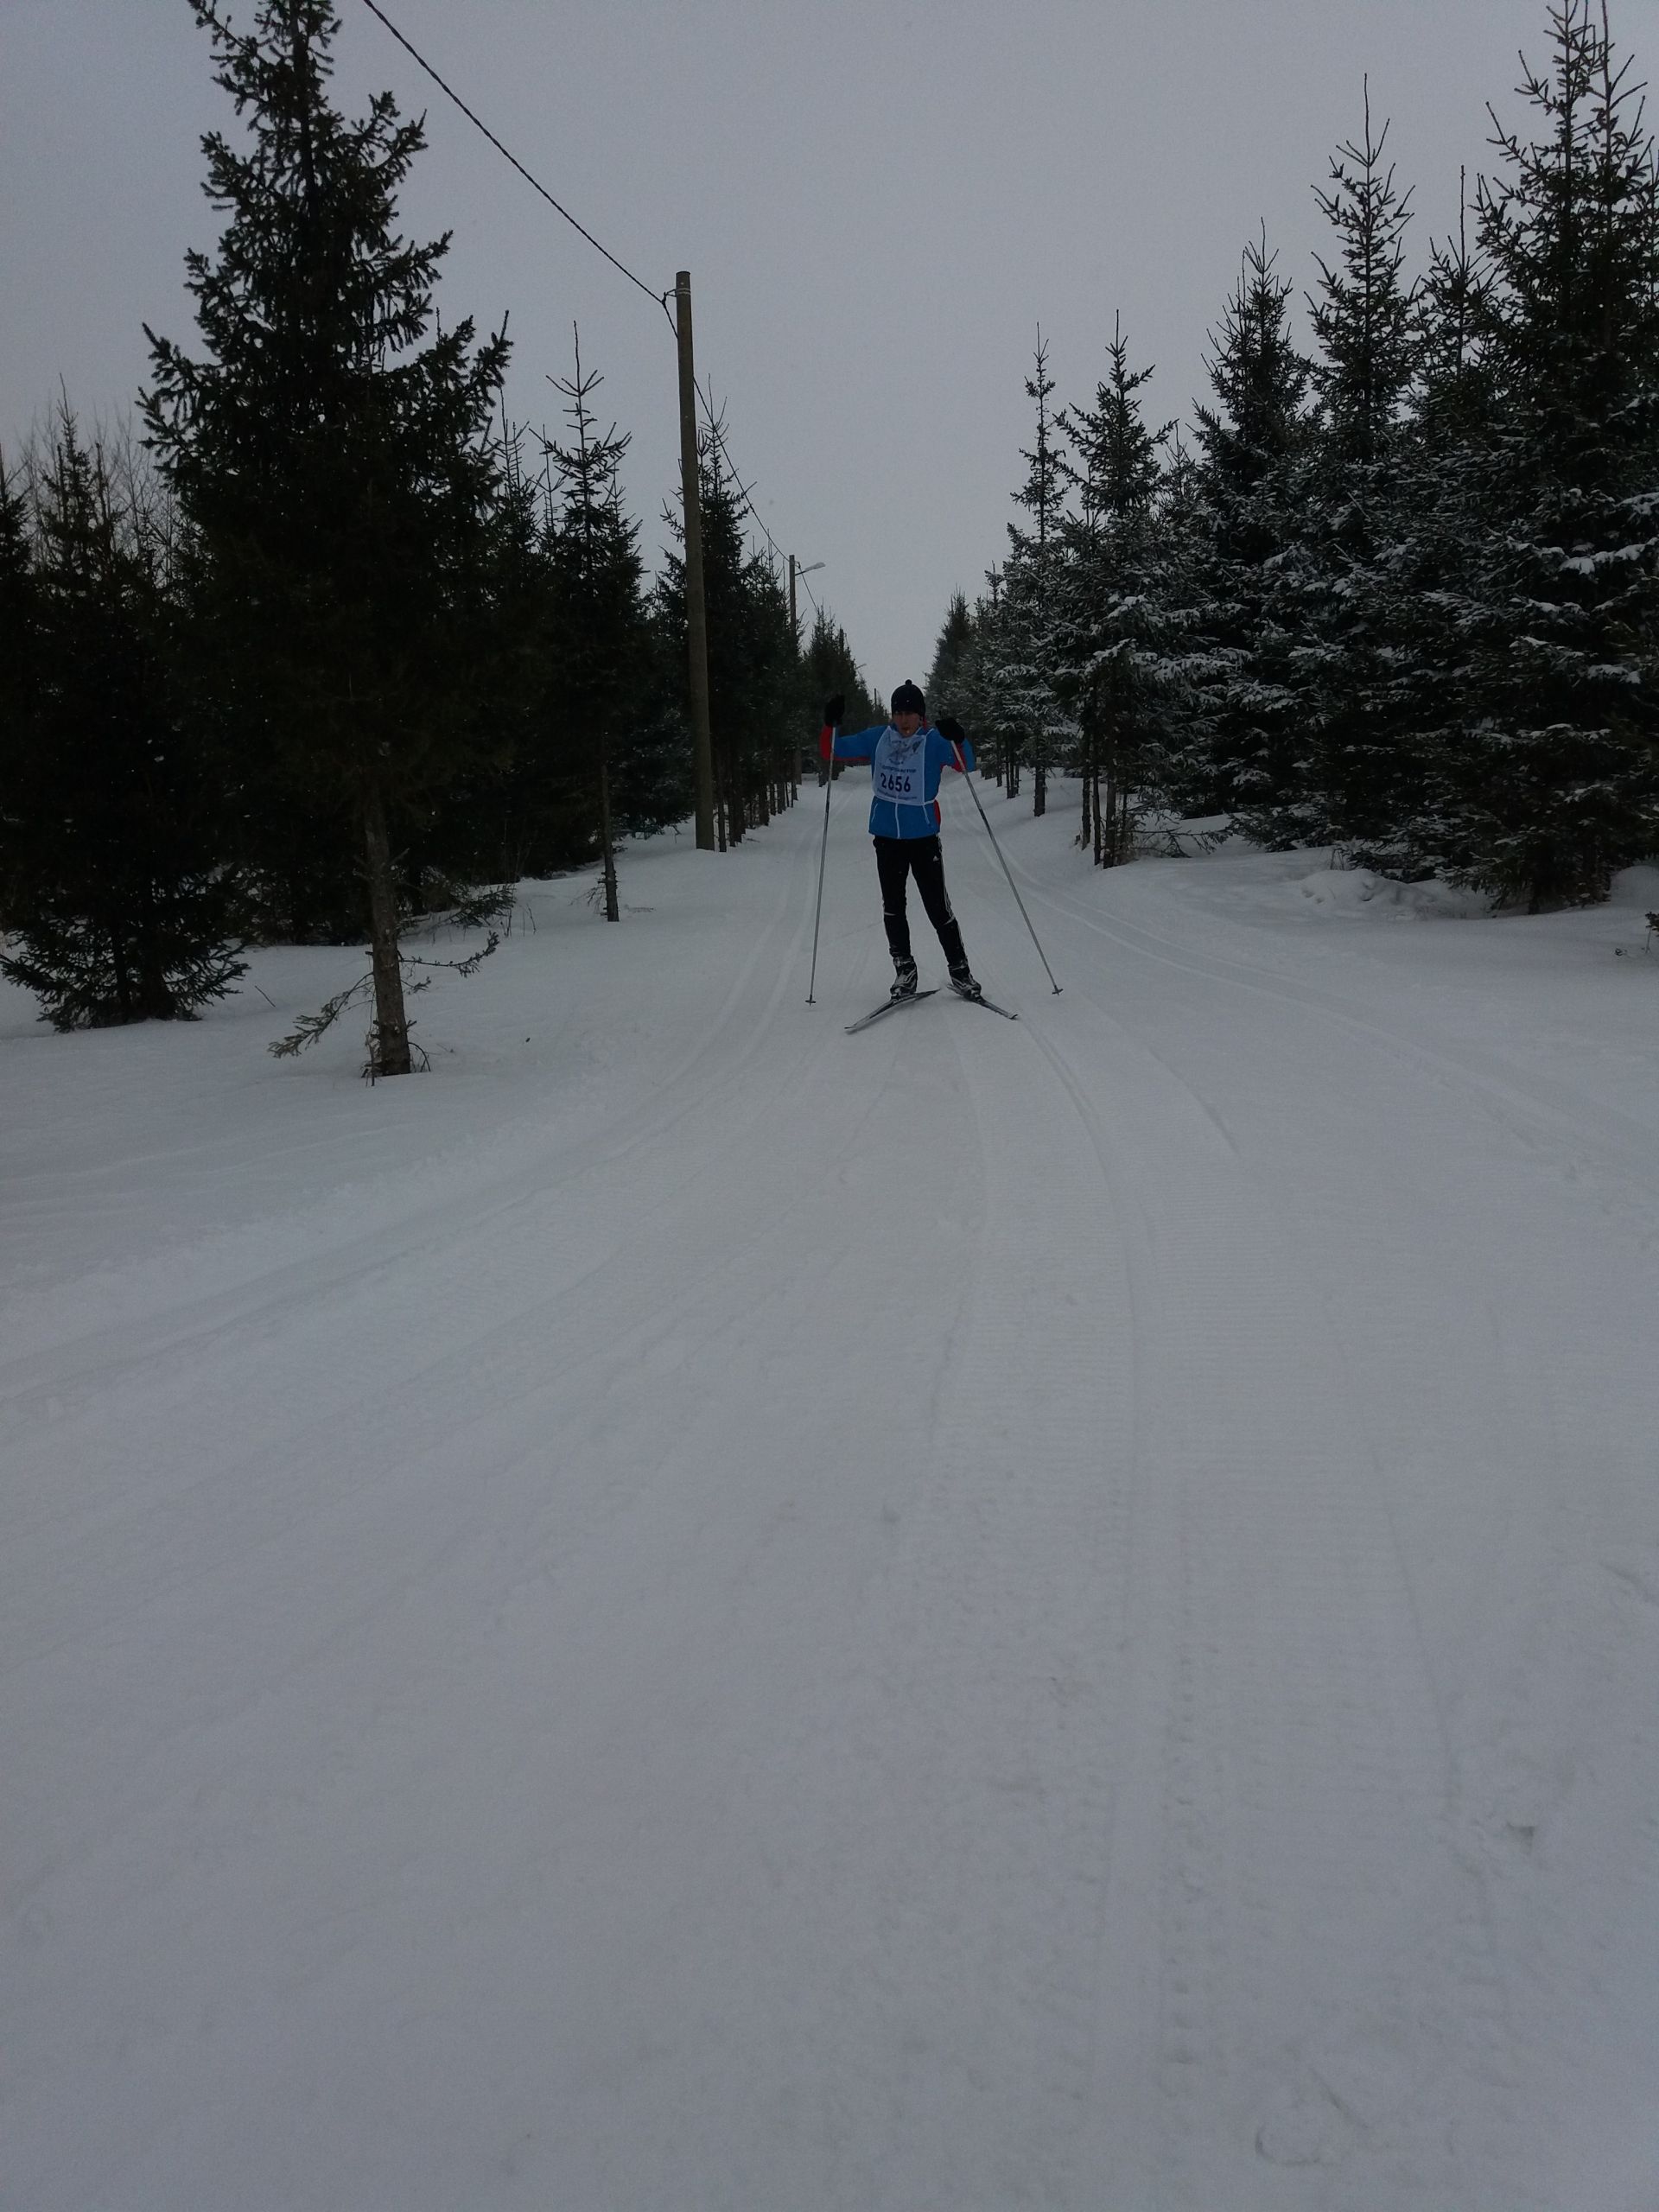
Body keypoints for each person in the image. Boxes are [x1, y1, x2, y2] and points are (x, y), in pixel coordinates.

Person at [821, 681, 982, 999]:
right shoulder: (878, 737)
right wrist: (830, 724)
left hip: (923, 838)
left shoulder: (933, 741)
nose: (903, 720)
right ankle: (905, 970)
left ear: (920, 716)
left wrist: (959, 738)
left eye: (910, 713)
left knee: (938, 908)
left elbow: (968, 764)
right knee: (894, 908)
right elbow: (832, 751)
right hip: (887, 839)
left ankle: (960, 971)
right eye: (898, 712)